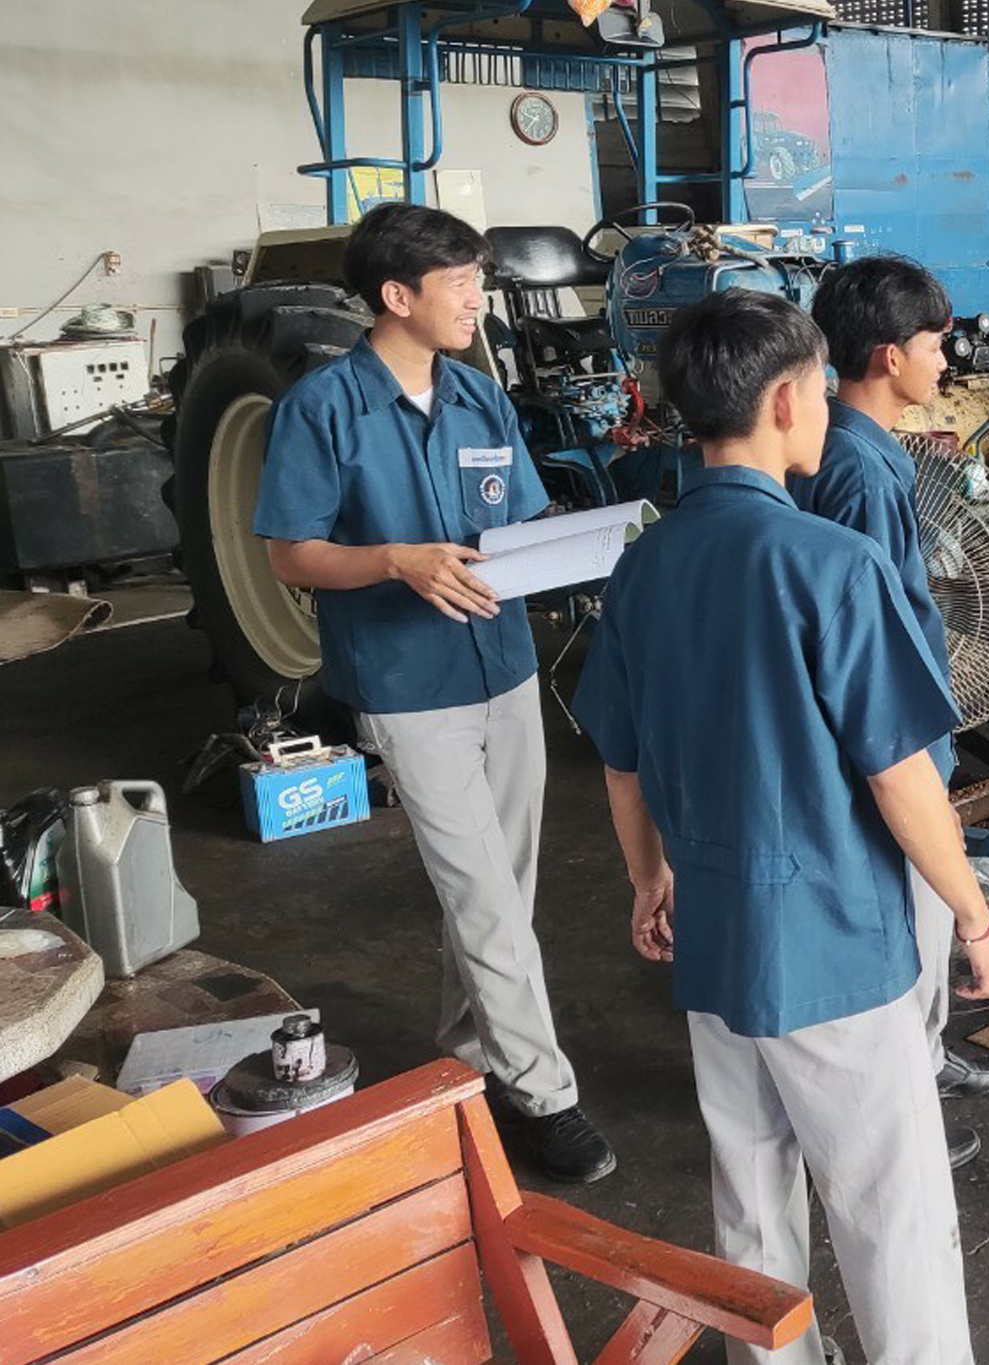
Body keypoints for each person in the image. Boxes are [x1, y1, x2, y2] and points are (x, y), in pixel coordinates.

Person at [573, 289, 989, 1365]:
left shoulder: (644, 563)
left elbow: (618, 759)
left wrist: (648, 882)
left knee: (752, 1189)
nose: (824, 406)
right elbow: (901, 779)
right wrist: (973, 913)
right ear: (784, 399)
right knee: (887, 1204)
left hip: (713, 936)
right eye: (819, 387)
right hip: (832, 941)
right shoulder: (831, 564)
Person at [255, 203, 614, 1182]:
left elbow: (520, 521)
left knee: (503, 891)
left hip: (503, 669)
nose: (476, 298)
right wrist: (394, 562)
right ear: (396, 296)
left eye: (477, 278)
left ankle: (469, 1062)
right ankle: (543, 1095)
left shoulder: (478, 396)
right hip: (409, 688)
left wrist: (591, 550)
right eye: (459, 282)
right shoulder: (321, 408)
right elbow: (292, 553)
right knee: (484, 901)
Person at [791, 254, 989, 1170]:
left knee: (918, 917)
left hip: (896, 721)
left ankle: (923, 1057)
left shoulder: (856, 449)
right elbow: (864, 625)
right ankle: (905, 1099)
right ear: (887, 357)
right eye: (936, 345)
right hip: (889, 734)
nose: (947, 361)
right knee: (917, 914)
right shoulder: (857, 469)